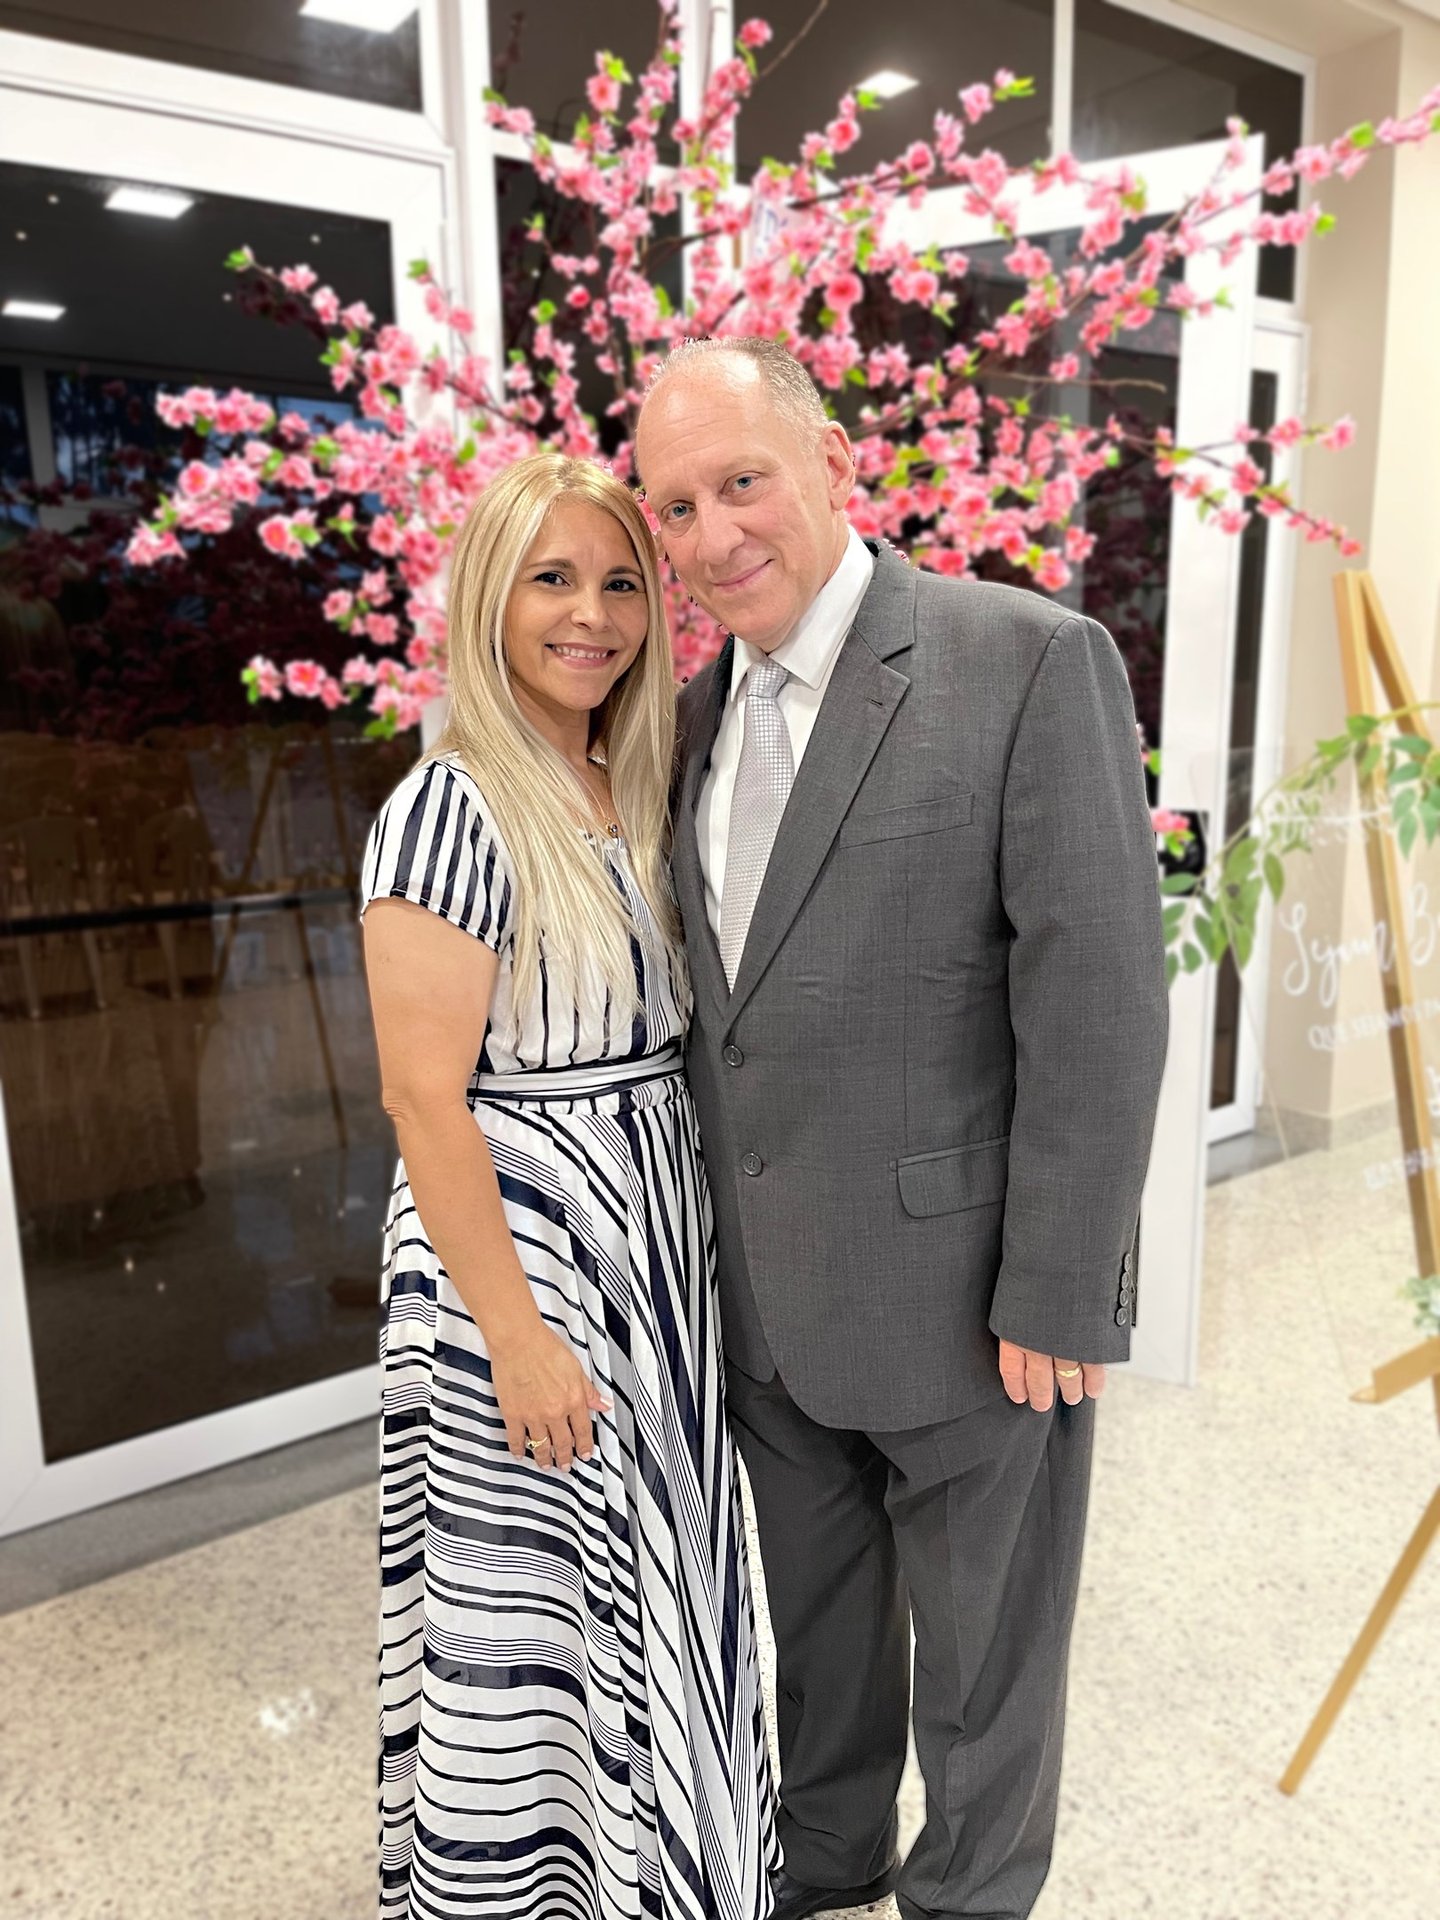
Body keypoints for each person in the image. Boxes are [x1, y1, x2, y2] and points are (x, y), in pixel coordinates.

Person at [634, 339, 1169, 1920]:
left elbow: (1099, 999)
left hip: (974, 1308)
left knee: (987, 1675)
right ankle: (829, 1859)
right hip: (771, 1310)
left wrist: (1063, 1286)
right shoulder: (687, 716)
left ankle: (970, 1897)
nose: (715, 534)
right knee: (820, 1640)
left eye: (743, 481)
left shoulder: (1025, 660)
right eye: (677, 507)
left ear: (833, 465)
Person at [359, 451, 780, 1920]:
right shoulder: (450, 809)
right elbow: (422, 1097)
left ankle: (664, 1878)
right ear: (488, 597)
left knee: (656, 1589)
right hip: (526, 1267)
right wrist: (518, 1337)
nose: (590, 616)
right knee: (538, 1622)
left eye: (617, 583)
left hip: (648, 1251)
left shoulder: (629, 782)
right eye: (551, 579)